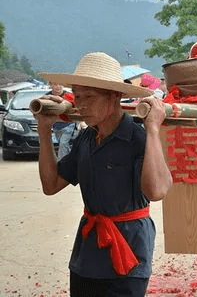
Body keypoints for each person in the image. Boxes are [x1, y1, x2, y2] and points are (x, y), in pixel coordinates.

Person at [34, 52, 173, 297]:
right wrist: (44, 132)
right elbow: (51, 185)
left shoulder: (138, 138)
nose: (81, 105)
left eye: (89, 97)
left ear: (114, 96)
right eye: (77, 96)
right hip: (87, 255)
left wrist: (152, 130)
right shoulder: (87, 138)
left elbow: (157, 191)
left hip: (128, 254)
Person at [47, 82, 82, 160]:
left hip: (69, 124)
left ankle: (61, 164)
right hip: (56, 125)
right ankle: (70, 160)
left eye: (60, 84)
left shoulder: (69, 95)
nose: (58, 87)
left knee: (63, 144)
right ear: (51, 85)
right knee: (63, 145)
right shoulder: (47, 96)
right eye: (55, 84)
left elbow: (78, 108)